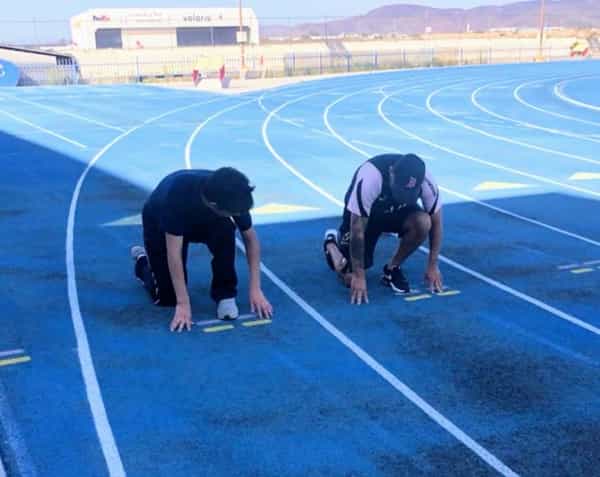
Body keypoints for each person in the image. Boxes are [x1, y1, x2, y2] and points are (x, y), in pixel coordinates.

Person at [131, 167, 273, 332]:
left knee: (226, 230)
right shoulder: (177, 198)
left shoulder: (233, 192)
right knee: (167, 298)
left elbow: (250, 239)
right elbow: (174, 254)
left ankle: (225, 293)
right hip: (160, 222)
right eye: (233, 213)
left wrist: (255, 289)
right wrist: (183, 303)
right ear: (214, 205)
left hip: (210, 218)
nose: (239, 215)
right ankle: (142, 261)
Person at [323, 154, 443, 305]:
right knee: (348, 277)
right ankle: (331, 243)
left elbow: (436, 223)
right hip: (366, 216)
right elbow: (357, 230)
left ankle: (392, 269)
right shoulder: (370, 178)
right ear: (391, 173)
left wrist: (432, 265)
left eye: (409, 194)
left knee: (423, 222)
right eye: (401, 191)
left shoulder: (426, 180)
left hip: (396, 211)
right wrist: (359, 276)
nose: (404, 196)